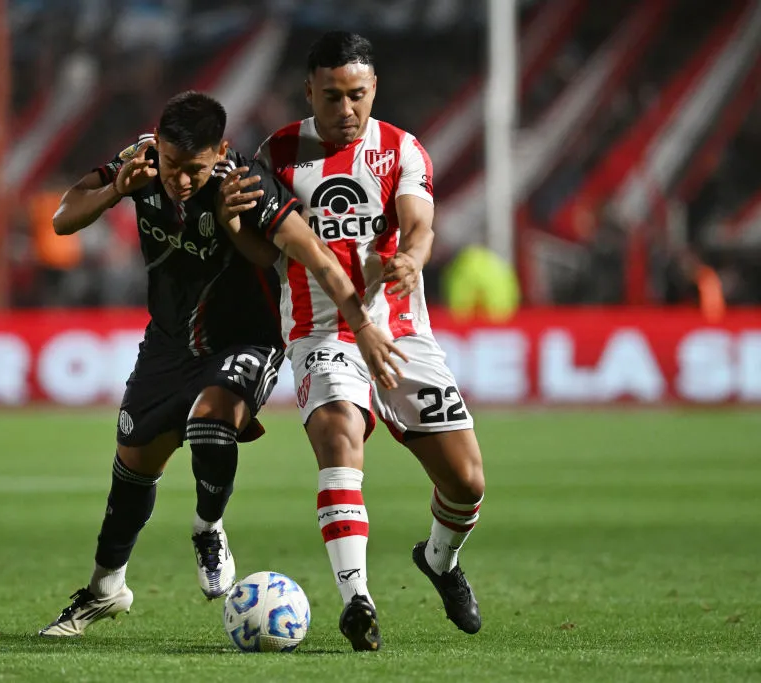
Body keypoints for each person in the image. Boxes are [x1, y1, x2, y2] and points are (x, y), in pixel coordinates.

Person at [39, 91, 404, 637]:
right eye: (170, 164)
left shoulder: (245, 183)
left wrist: (362, 322)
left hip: (245, 341)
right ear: (155, 145)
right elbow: (64, 219)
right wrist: (118, 188)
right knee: (135, 464)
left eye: (194, 169)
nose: (180, 181)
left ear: (221, 153)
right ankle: (105, 588)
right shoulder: (137, 161)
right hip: (167, 344)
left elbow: (308, 252)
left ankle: (208, 527)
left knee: (211, 422)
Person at [219, 32, 487, 650]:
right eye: (333, 96)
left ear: (374, 91)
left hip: (401, 334)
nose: (346, 110)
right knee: (339, 432)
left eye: (357, 95)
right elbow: (269, 247)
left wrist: (413, 260)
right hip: (320, 331)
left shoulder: (400, 149)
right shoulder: (278, 152)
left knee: (467, 483)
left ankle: (440, 562)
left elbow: (420, 224)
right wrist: (235, 223)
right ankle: (357, 601)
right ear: (309, 90)